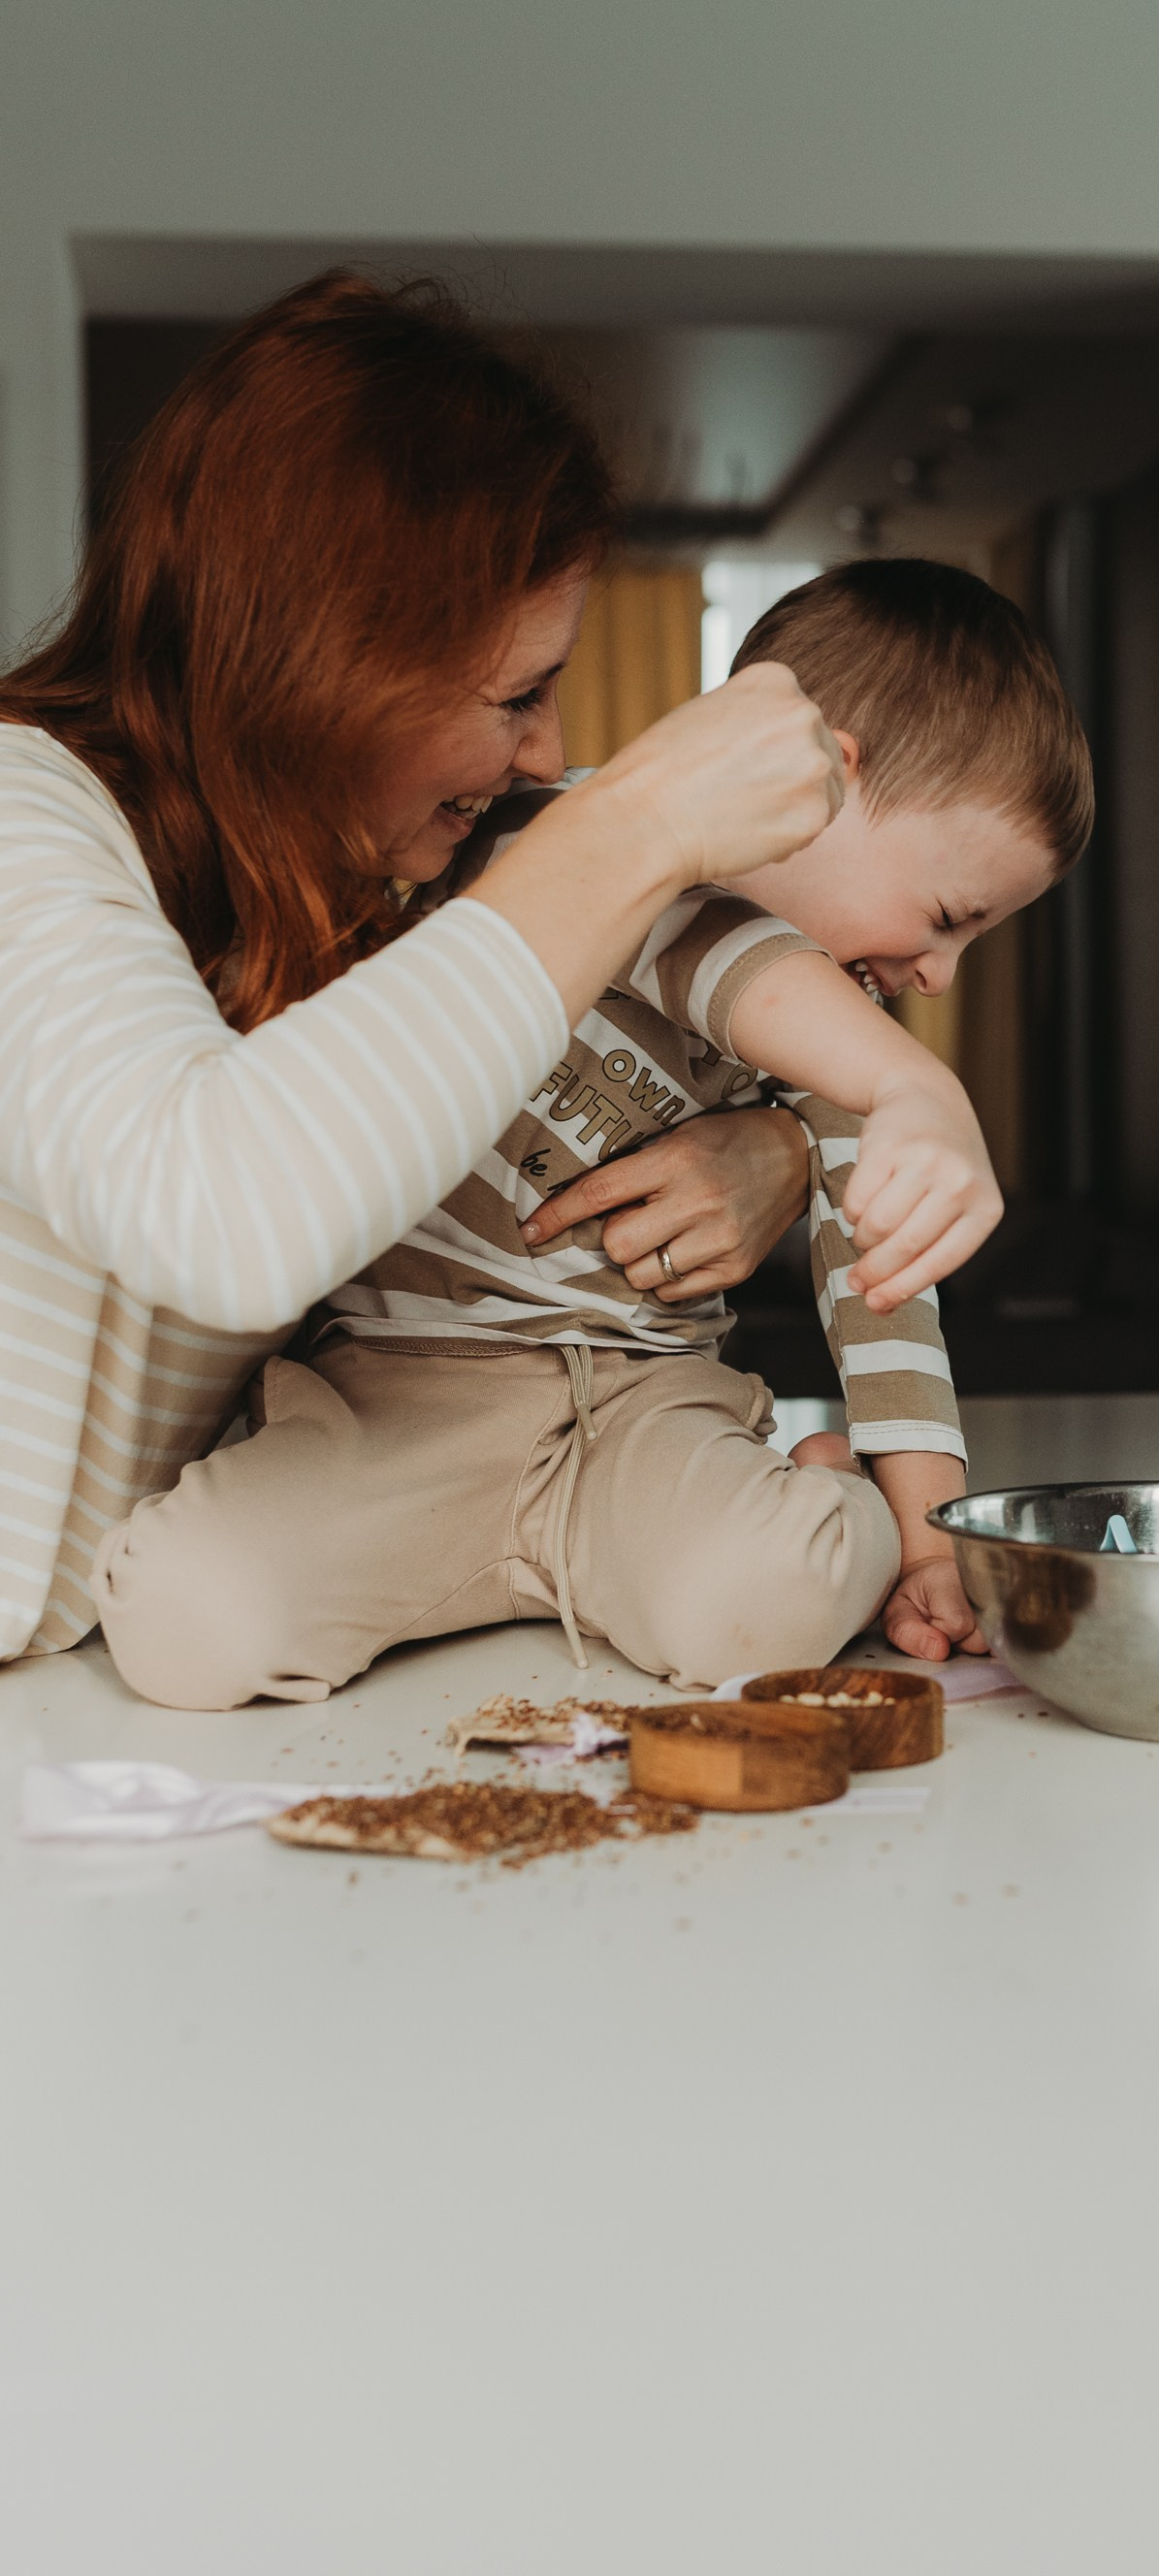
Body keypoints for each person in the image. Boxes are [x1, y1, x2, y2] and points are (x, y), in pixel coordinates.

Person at [0, 272, 860, 1669]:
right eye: (517, 693)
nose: (543, 749)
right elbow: (225, 1209)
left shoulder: (322, 906)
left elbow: (443, 1136)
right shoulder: (15, 818)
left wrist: (776, 1142)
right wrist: (627, 825)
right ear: (328, 659)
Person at [92, 564, 1092, 1705]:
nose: (937, 972)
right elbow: (722, 959)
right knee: (182, 1626)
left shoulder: (843, 1041)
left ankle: (825, 1504)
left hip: (643, 1406)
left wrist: (920, 1542)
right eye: (949, 918)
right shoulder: (554, 839)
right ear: (823, 773)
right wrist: (919, 1086)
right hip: (399, 1395)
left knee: (768, 1605)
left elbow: (885, 1288)